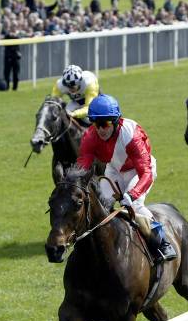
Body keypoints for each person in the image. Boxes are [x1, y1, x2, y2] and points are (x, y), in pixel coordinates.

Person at [76, 94, 177, 263]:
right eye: (96, 123)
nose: (100, 129)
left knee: (135, 205)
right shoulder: (90, 136)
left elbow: (145, 172)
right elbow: (83, 166)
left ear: (116, 121)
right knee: (101, 205)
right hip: (114, 170)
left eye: (105, 123)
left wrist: (133, 193)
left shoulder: (131, 134)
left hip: (140, 171)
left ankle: (162, 242)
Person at [3, 25, 21, 91]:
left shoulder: (18, 35)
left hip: (16, 57)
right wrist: (10, 35)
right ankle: (6, 87)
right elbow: (5, 39)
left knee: (16, 73)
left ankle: (15, 88)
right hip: (8, 56)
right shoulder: (7, 35)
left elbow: (19, 37)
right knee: (7, 73)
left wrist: (14, 35)